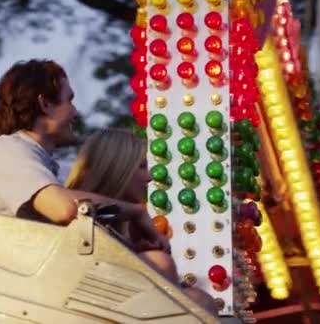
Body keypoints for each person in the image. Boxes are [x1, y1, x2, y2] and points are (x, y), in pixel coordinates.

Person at [0, 59, 166, 267]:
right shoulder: (8, 151)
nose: (75, 112)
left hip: (29, 278)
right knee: (162, 264)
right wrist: (135, 211)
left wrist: (130, 249)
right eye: (69, 101)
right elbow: (65, 209)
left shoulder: (40, 164)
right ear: (45, 104)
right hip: (15, 282)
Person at [63, 128, 218, 316]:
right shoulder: (75, 222)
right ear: (117, 168)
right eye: (142, 166)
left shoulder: (120, 226)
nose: (150, 177)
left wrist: (135, 250)